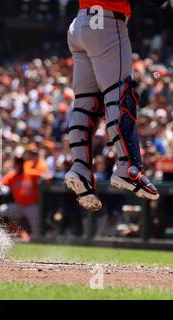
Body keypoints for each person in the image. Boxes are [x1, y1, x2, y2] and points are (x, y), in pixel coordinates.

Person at [64, 0, 161, 212]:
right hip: (106, 21)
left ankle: (80, 167)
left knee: (85, 103)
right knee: (120, 95)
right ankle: (129, 166)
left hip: (80, 22)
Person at [0, 148, 44, 239]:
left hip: (31, 206)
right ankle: (10, 232)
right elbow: (0, 184)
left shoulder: (30, 173)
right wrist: (2, 187)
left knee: (37, 230)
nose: (19, 164)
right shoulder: (12, 175)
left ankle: (37, 240)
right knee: (2, 210)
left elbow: (46, 176)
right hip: (19, 206)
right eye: (18, 162)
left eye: (21, 162)